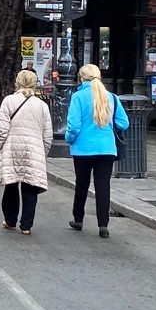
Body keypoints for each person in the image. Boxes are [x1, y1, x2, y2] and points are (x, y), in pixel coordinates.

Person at [65, 63, 125, 238]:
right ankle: (103, 225)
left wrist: (69, 139)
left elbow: (74, 126)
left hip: (83, 149)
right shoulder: (112, 97)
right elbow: (124, 123)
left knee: (81, 184)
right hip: (106, 149)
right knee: (103, 186)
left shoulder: (78, 97)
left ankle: (78, 218)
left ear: (81, 78)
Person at [0, 68, 52, 234]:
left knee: (11, 185)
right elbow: (48, 134)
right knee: (30, 187)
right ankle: (26, 226)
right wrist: (43, 151)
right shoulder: (42, 106)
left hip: (11, 148)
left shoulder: (8, 101)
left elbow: (2, 129)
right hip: (33, 150)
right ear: (35, 84)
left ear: (17, 82)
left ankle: (10, 220)